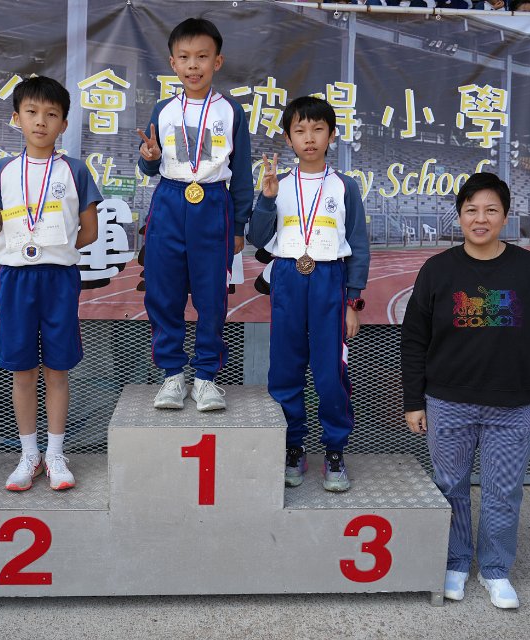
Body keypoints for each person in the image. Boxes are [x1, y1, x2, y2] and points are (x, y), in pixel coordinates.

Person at [400, 172, 530, 609]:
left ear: (505, 216)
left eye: (491, 210)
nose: (480, 218)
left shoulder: (529, 269)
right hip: (447, 403)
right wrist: (414, 400)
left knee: (503, 491)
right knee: (450, 487)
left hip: (513, 406)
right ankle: (455, 562)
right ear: (459, 216)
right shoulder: (438, 269)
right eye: (471, 210)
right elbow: (413, 339)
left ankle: (495, 569)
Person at [0, 76, 101, 491]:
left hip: (58, 278)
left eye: (51, 114)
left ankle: (56, 454)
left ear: (64, 124)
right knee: (22, 370)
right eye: (32, 112)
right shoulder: (1, 170)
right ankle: (29, 455)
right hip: (15, 279)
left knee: (57, 369)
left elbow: (90, 231)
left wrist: (54, 249)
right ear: (16, 118)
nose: (41, 121)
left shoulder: (75, 170)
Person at [248, 97, 370, 492]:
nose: (310, 138)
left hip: (329, 278)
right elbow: (257, 238)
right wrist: (267, 199)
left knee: (330, 372)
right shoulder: (279, 184)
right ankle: (292, 447)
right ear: (288, 138)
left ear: (332, 135)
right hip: (288, 275)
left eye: (318, 129)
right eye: (300, 131)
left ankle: (334, 450)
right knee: (286, 368)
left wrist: (352, 302)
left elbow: (358, 245)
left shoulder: (345, 186)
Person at [136, 17, 253, 412]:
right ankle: (172, 375)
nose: (193, 65)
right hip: (169, 201)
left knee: (211, 295)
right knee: (162, 292)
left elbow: (242, 172)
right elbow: (150, 166)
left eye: (202, 57)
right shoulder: (163, 109)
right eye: (184, 57)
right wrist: (149, 158)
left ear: (217, 62)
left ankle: (205, 377)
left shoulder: (231, 111)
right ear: (172, 63)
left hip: (214, 203)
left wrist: (239, 225)